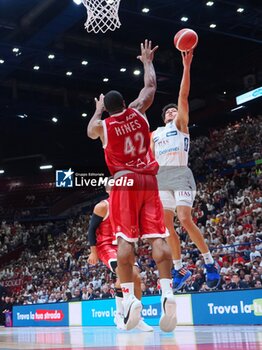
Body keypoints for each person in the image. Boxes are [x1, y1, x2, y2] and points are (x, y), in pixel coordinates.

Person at [87, 39, 176, 332]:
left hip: (124, 180)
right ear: (125, 103)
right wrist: (147, 61)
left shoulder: (104, 127)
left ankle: (129, 299)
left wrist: (98, 110)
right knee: (158, 239)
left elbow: (89, 131)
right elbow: (150, 87)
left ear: (109, 108)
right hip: (149, 179)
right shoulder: (139, 111)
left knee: (125, 241)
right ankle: (167, 293)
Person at [151, 50, 220, 291]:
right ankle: (179, 267)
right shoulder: (155, 134)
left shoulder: (180, 126)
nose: (172, 112)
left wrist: (186, 66)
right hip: (161, 179)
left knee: (184, 219)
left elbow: (183, 94)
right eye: (168, 111)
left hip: (180, 174)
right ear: (163, 117)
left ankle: (210, 263)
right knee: (167, 226)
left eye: (174, 111)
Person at [87, 192, 153, 331]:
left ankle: (136, 318)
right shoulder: (102, 206)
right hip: (106, 246)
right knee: (126, 274)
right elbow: (91, 230)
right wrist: (93, 252)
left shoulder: (128, 206)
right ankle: (121, 312)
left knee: (136, 277)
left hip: (123, 245)